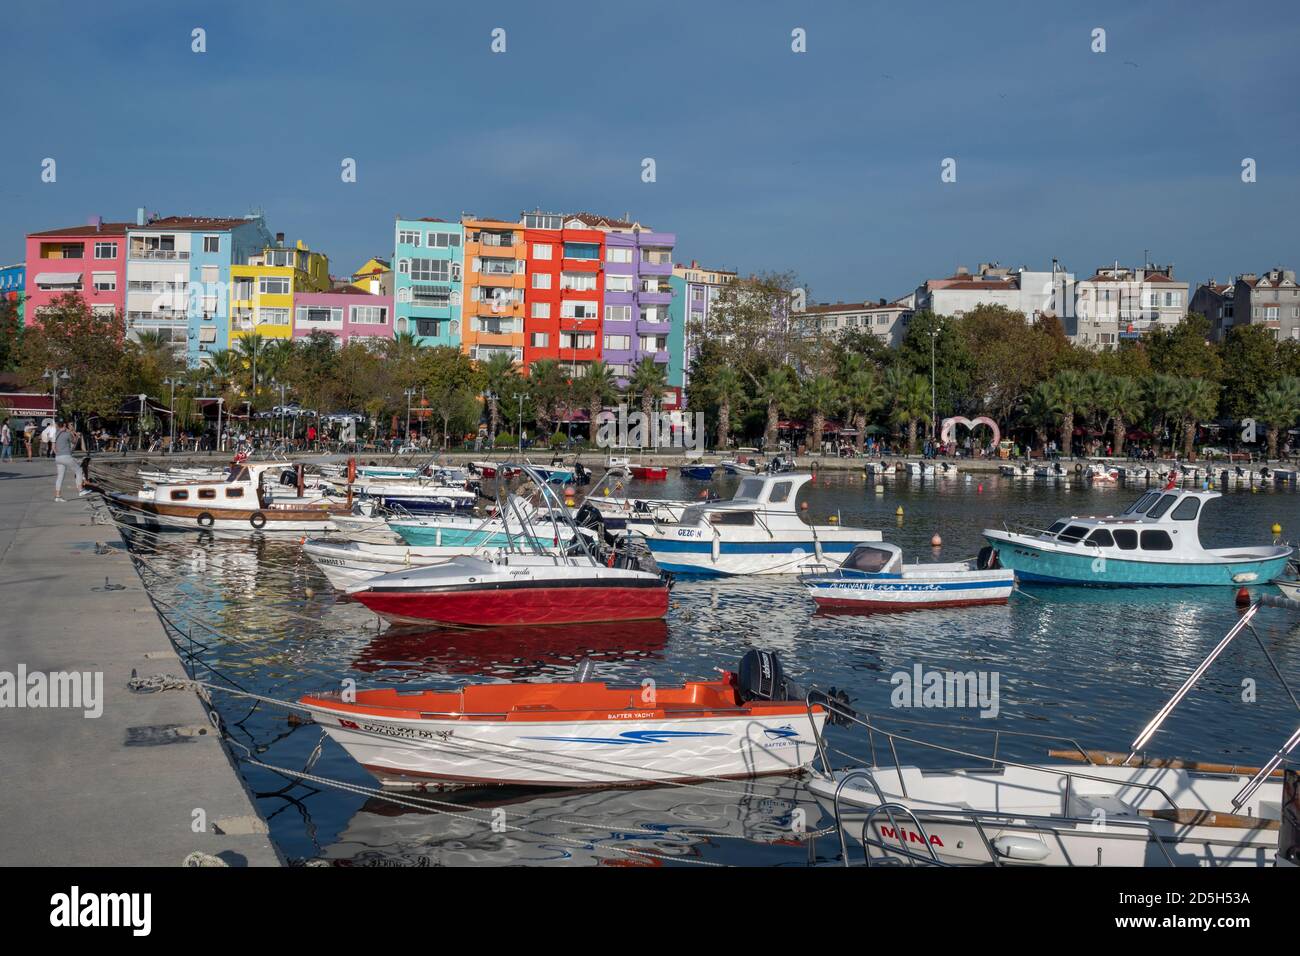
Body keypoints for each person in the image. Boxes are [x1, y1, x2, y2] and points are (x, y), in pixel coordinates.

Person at [53, 420, 87, 502]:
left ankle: (58, 496)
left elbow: (53, 447)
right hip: (66, 456)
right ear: (64, 425)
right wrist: (77, 436)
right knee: (79, 470)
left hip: (58, 457)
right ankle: (80, 490)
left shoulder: (55, 434)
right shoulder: (67, 434)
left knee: (60, 477)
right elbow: (74, 442)